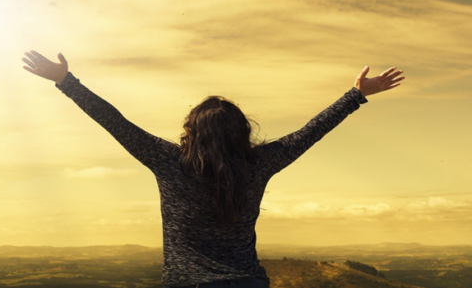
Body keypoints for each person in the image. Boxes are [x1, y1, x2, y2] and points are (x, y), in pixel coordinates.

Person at [21, 50, 405, 288]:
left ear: (191, 131)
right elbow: (311, 131)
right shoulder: (259, 163)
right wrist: (356, 95)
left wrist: (66, 82)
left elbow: (114, 122)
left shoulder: (168, 161)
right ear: (242, 131)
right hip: (250, 282)